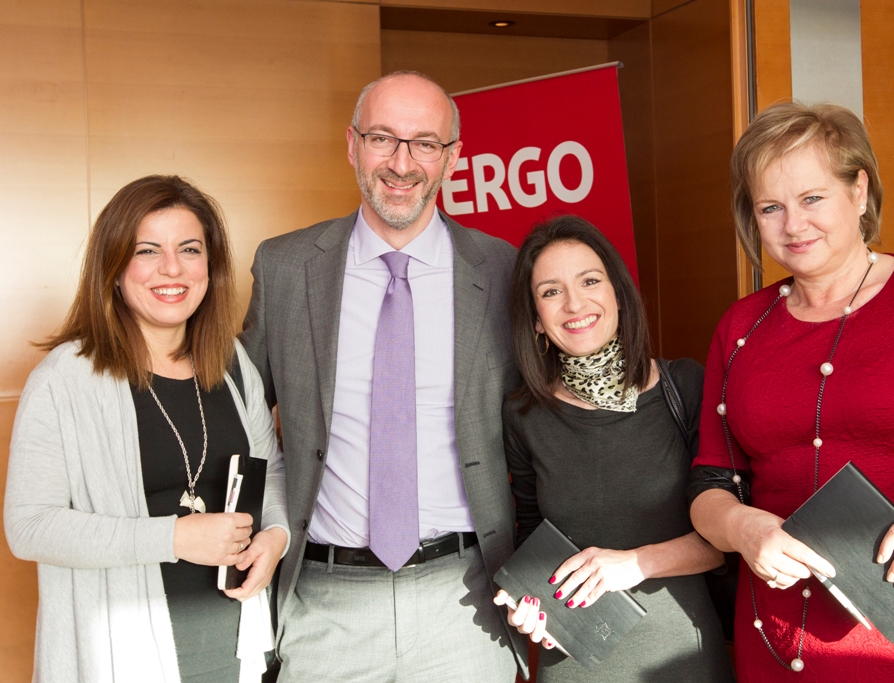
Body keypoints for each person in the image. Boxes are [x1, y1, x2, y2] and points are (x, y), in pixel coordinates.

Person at [689, 101, 894, 682]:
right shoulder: (740, 327)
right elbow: (710, 484)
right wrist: (742, 529)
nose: (794, 226)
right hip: (772, 640)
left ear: (859, 190)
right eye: (771, 207)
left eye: (812, 198)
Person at [239, 70, 526, 682]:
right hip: (325, 607)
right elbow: (241, 423)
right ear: (352, 145)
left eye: (425, 143)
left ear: (453, 157)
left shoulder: (503, 270)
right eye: (382, 139)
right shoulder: (286, 267)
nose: (401, 163)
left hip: (468, 605)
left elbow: (544, 426)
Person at [4, 175, 289, 683]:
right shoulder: (66, 378)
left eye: (190, 249)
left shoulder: (232, 363)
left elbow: (272, 474)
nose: (172, 268)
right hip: (124, 658)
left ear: (210, 267)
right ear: (113, 268)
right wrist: (173, 538)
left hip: (239, 653)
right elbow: (29, 527)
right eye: (147, 251)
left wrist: (278, 536)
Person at [493, 216, 735, 683]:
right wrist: (528, 601)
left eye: (589, 281)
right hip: (574, 660)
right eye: (551, 291)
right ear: (536, 319)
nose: (574, 303)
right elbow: (530, 535)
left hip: (683, 653)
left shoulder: (684, 387)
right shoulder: (523, 415)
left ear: (618, 294)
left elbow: (725, 541)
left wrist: (631, 564)